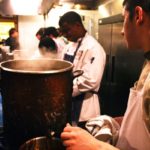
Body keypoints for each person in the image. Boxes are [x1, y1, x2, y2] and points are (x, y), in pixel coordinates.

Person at [60, 0, 150, 150]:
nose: (121, 31)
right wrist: (125, 121)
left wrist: (94, 146)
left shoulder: (93, 47)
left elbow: (91, 81)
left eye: (123, 19)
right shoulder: (147, 63)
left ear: (138, 15)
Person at [58, 11, 106, 127]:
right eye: (62, 31)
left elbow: (91, 80)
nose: (64, 34)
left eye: (67, 30)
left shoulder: (93, 47)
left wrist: (65, 90)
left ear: (78, 25)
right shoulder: (68, 47)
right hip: (68, 103)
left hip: (85, 107)